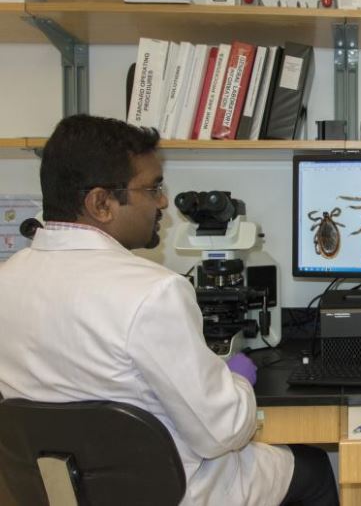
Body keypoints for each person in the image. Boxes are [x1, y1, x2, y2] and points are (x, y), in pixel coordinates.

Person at [0, 115, 338, 506]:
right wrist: (237, 381)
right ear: (101, 203)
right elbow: (222, 432)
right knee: (313, 467)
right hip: (175, 493)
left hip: (64, 493)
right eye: (153, 187)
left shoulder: (7, 279)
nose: (163, 202)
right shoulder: (152, 291)